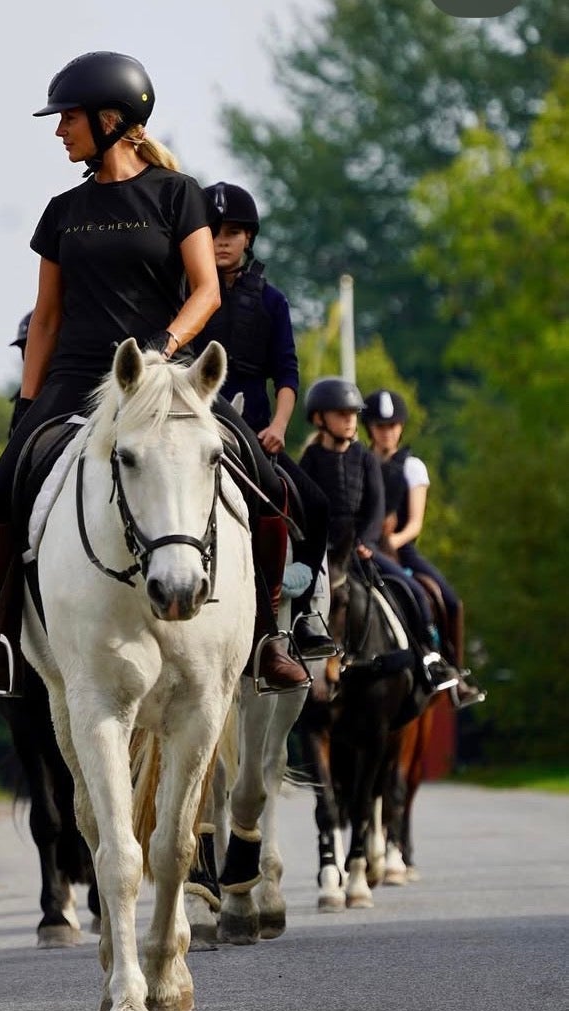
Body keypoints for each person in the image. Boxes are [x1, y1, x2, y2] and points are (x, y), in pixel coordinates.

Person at [0, 51, 308, 697]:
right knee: (4, 487)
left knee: (263, 479)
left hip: (161, 372)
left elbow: (205, 292)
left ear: (110, 119)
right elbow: (46, 318)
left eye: (67, 118)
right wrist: (26, 399)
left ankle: (268, 636)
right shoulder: (61, 210)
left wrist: (161, 348)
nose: (58, 130)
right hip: (75, 373)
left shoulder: (178, 195)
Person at [192, 181, 334, 660]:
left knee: (316, 505)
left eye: (233, 232)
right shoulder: (185, 294)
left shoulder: (272, 301)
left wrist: (278, 426)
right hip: (198, 423)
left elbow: (287, 374)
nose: (222, 240)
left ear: (248, 237)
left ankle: (305, 615)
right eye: (213, 231)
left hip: (254, 429)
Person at [298, 379, 454, 692]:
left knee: (415, 591)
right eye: (342, 414)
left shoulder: (366, 459)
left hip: (362, 550)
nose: (350, 420)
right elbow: (305, 506)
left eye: (353, 414)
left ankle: (432, 658)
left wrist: (366, 543)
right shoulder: (310, 459)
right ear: (320, 419)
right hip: (323, 552)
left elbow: (375, 507)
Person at [363, 389, 484, 708]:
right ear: (370, 429)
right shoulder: (360, 461)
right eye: (379, 426)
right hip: (364, 550)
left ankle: (453, 672)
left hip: (402, 550)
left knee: (451, 601)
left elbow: (415, 523)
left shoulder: (412, 466)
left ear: (400, 427)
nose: (386, 432)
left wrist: (393, 540)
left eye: (392, 426)